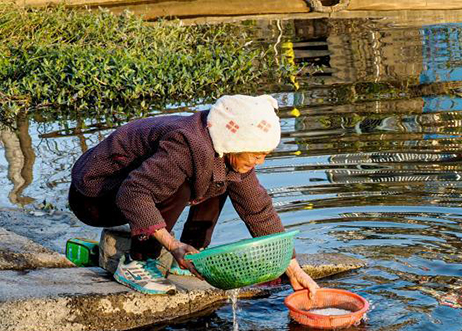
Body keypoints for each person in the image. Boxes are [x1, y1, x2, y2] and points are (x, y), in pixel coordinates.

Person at [68, 94, 320, 296]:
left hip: (133, 190)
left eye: (265, 155)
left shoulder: (226, 151)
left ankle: (195, 255)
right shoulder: (186, 144)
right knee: (181, 182)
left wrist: (293, 268)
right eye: (256, 155)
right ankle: (138, 262)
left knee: (220, 179)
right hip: (95, 197)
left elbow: (259, 211)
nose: (261, 162)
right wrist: (172, 245)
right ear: (236, 144)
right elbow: (134, 193)